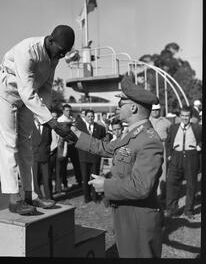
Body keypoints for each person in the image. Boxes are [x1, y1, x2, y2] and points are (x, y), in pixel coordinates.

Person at [67, 75, 164, 258]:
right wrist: (75, 134)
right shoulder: (131, 135)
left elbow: (141, 186)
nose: (118, 106)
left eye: (121, 102)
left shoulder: (149, 141)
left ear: (133, 107)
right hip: (126, 212)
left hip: (138, 219)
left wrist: (106, 185)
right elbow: (104, 147)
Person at [0, 25, 75, 215]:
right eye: (60, 51)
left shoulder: (55, 56)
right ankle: (14, 198)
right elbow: (27, 92)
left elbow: (45, 89)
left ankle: (31, 195)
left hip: (28, 96)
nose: (61, 56)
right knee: (9, 143)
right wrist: (52, 123)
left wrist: (46, 117)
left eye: (64, 53)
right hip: (6, 91)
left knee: (26, 144)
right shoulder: (27, 50)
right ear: (50, 40)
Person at [165, 106, 202, 220]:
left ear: (190, 116)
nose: (185, 118)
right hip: (176, 157)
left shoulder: (197, 128)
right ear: (180, 116)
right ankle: (172, 209)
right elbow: (168, 142)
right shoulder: (173, 127)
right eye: (183, 115)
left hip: (191, 157)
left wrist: (200, 146)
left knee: (191, 185)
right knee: (172, 183)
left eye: (187, 116)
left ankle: (189, 210)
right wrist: (170, 155)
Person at [75, 109, 106, 203]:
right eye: (88, 116)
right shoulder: (79, 127)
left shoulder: (100, 128)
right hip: (83, 156)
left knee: (94, 177)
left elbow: (102, 141)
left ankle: (95, 197)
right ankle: (87, 197)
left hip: (95, 157)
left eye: (92, 116)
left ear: (94, 117)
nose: (90, 118)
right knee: (85, 177)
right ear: (85, 117)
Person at [57, 104, 82, 192]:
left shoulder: (72, 119)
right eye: (66, 110)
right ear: (63, 111)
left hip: (73, 145)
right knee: (63, 166)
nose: (68, 112)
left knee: (76, 164)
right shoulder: (60, 120)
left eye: (69, 110)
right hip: (64, 145)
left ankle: (79, 181)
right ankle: (65, 183)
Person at [31, 115, 55, 203]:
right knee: (36, 179)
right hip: (34, 157)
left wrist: (47, 150)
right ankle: (39, 198)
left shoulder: (47, 127)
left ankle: (49, 198)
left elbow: (50, 140)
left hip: (45, 156)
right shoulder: (30, 126)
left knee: (47, 178)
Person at [150, 103, 171, 199]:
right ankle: (151, 193)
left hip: (163, 146)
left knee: (163, 169)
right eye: (153, 110)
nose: (155, 112)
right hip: (149, 146)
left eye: (157, 110)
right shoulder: (147, 121)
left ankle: (162, 193)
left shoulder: (166, 122)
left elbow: (170, 136)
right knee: (150, 170)